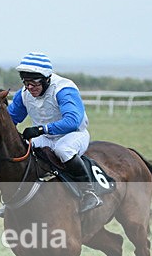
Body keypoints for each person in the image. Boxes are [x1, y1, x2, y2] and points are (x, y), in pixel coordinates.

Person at [6, 52, 102, 213]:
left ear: (46, 79)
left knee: (63, 149)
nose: (30, 88)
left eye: (34, 83)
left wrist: (41, 129)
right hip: (45, 137)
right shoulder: (23, 94)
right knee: (22, 150)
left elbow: (72, 121)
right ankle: (17, 197)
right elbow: (11, 118)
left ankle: (89, 192)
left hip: (73, 135)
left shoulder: (64, 89)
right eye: (26, 82)